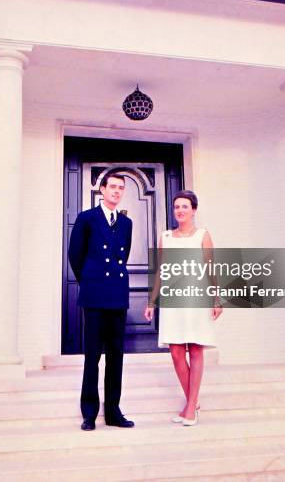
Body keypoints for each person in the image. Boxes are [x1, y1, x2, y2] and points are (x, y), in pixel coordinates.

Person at [144, 190, 222, 426]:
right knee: (177, 351)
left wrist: (217, 299)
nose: (180, 210)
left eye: (184, 206)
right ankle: (192, 402)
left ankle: (190, 407)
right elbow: (160, 271)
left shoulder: (203, 235)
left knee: (195, 349)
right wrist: (151, 301)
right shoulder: (165, 236)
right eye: (177, 206)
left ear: (193, 210)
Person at [68, 171, 134, 431]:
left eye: (121, 188)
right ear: (102, 190)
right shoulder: (87, 218)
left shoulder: (126, 223)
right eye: (113, 187)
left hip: (117, 295)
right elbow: (75, 255)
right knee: (92, 356)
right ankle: (89, 413)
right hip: (94, 296)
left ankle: (114, 411)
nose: (117, 191)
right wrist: (89, 281)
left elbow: (124, 254)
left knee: (116, 356)